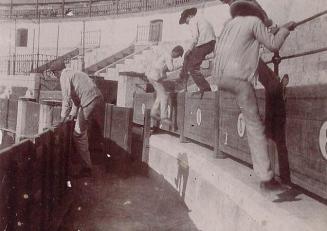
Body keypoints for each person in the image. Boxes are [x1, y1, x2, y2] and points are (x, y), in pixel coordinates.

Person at [213, 0, 296, 191]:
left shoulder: (229, 25)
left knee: (251, 119)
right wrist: (285, 29)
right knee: (254, 126)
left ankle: (265, 174)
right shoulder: (254, 21)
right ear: (255, 12)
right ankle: (267, 178)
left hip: (220, 77)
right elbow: (273, 45)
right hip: (239, 79)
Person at [47, 59, 104, 178]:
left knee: (78, 134)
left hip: (89, 101)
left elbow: (66, 99)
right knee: (82, 130)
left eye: (53, 73)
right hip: (98, 98)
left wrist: (62, 119)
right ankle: (86, 163)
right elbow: (76, 100)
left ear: (56, 72)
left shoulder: (64, 76)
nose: (54, 76)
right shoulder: (75, 73)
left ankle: (87, 168)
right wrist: (72, 115)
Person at [178, 7, 216, 94]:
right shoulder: (202, 19)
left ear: (190, 16)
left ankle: (205, 88)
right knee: (187, 59)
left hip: (204, 43)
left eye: (186, 20)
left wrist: (189, 49)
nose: (186, 23)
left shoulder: (193, 21)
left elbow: (195, 38)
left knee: (192, 67)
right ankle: (183, 81)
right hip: (210, 42)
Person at [145, 45, 184, 125]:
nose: (177, 57)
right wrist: (181, 65)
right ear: (175, 52)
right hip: (155, 77)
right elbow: (171, 68)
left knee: (160, 95)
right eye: (178, 55)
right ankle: (164, 117)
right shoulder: (168, 57)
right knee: (164, 96)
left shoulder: (165, 54)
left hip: (152, 76)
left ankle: (153, 112)